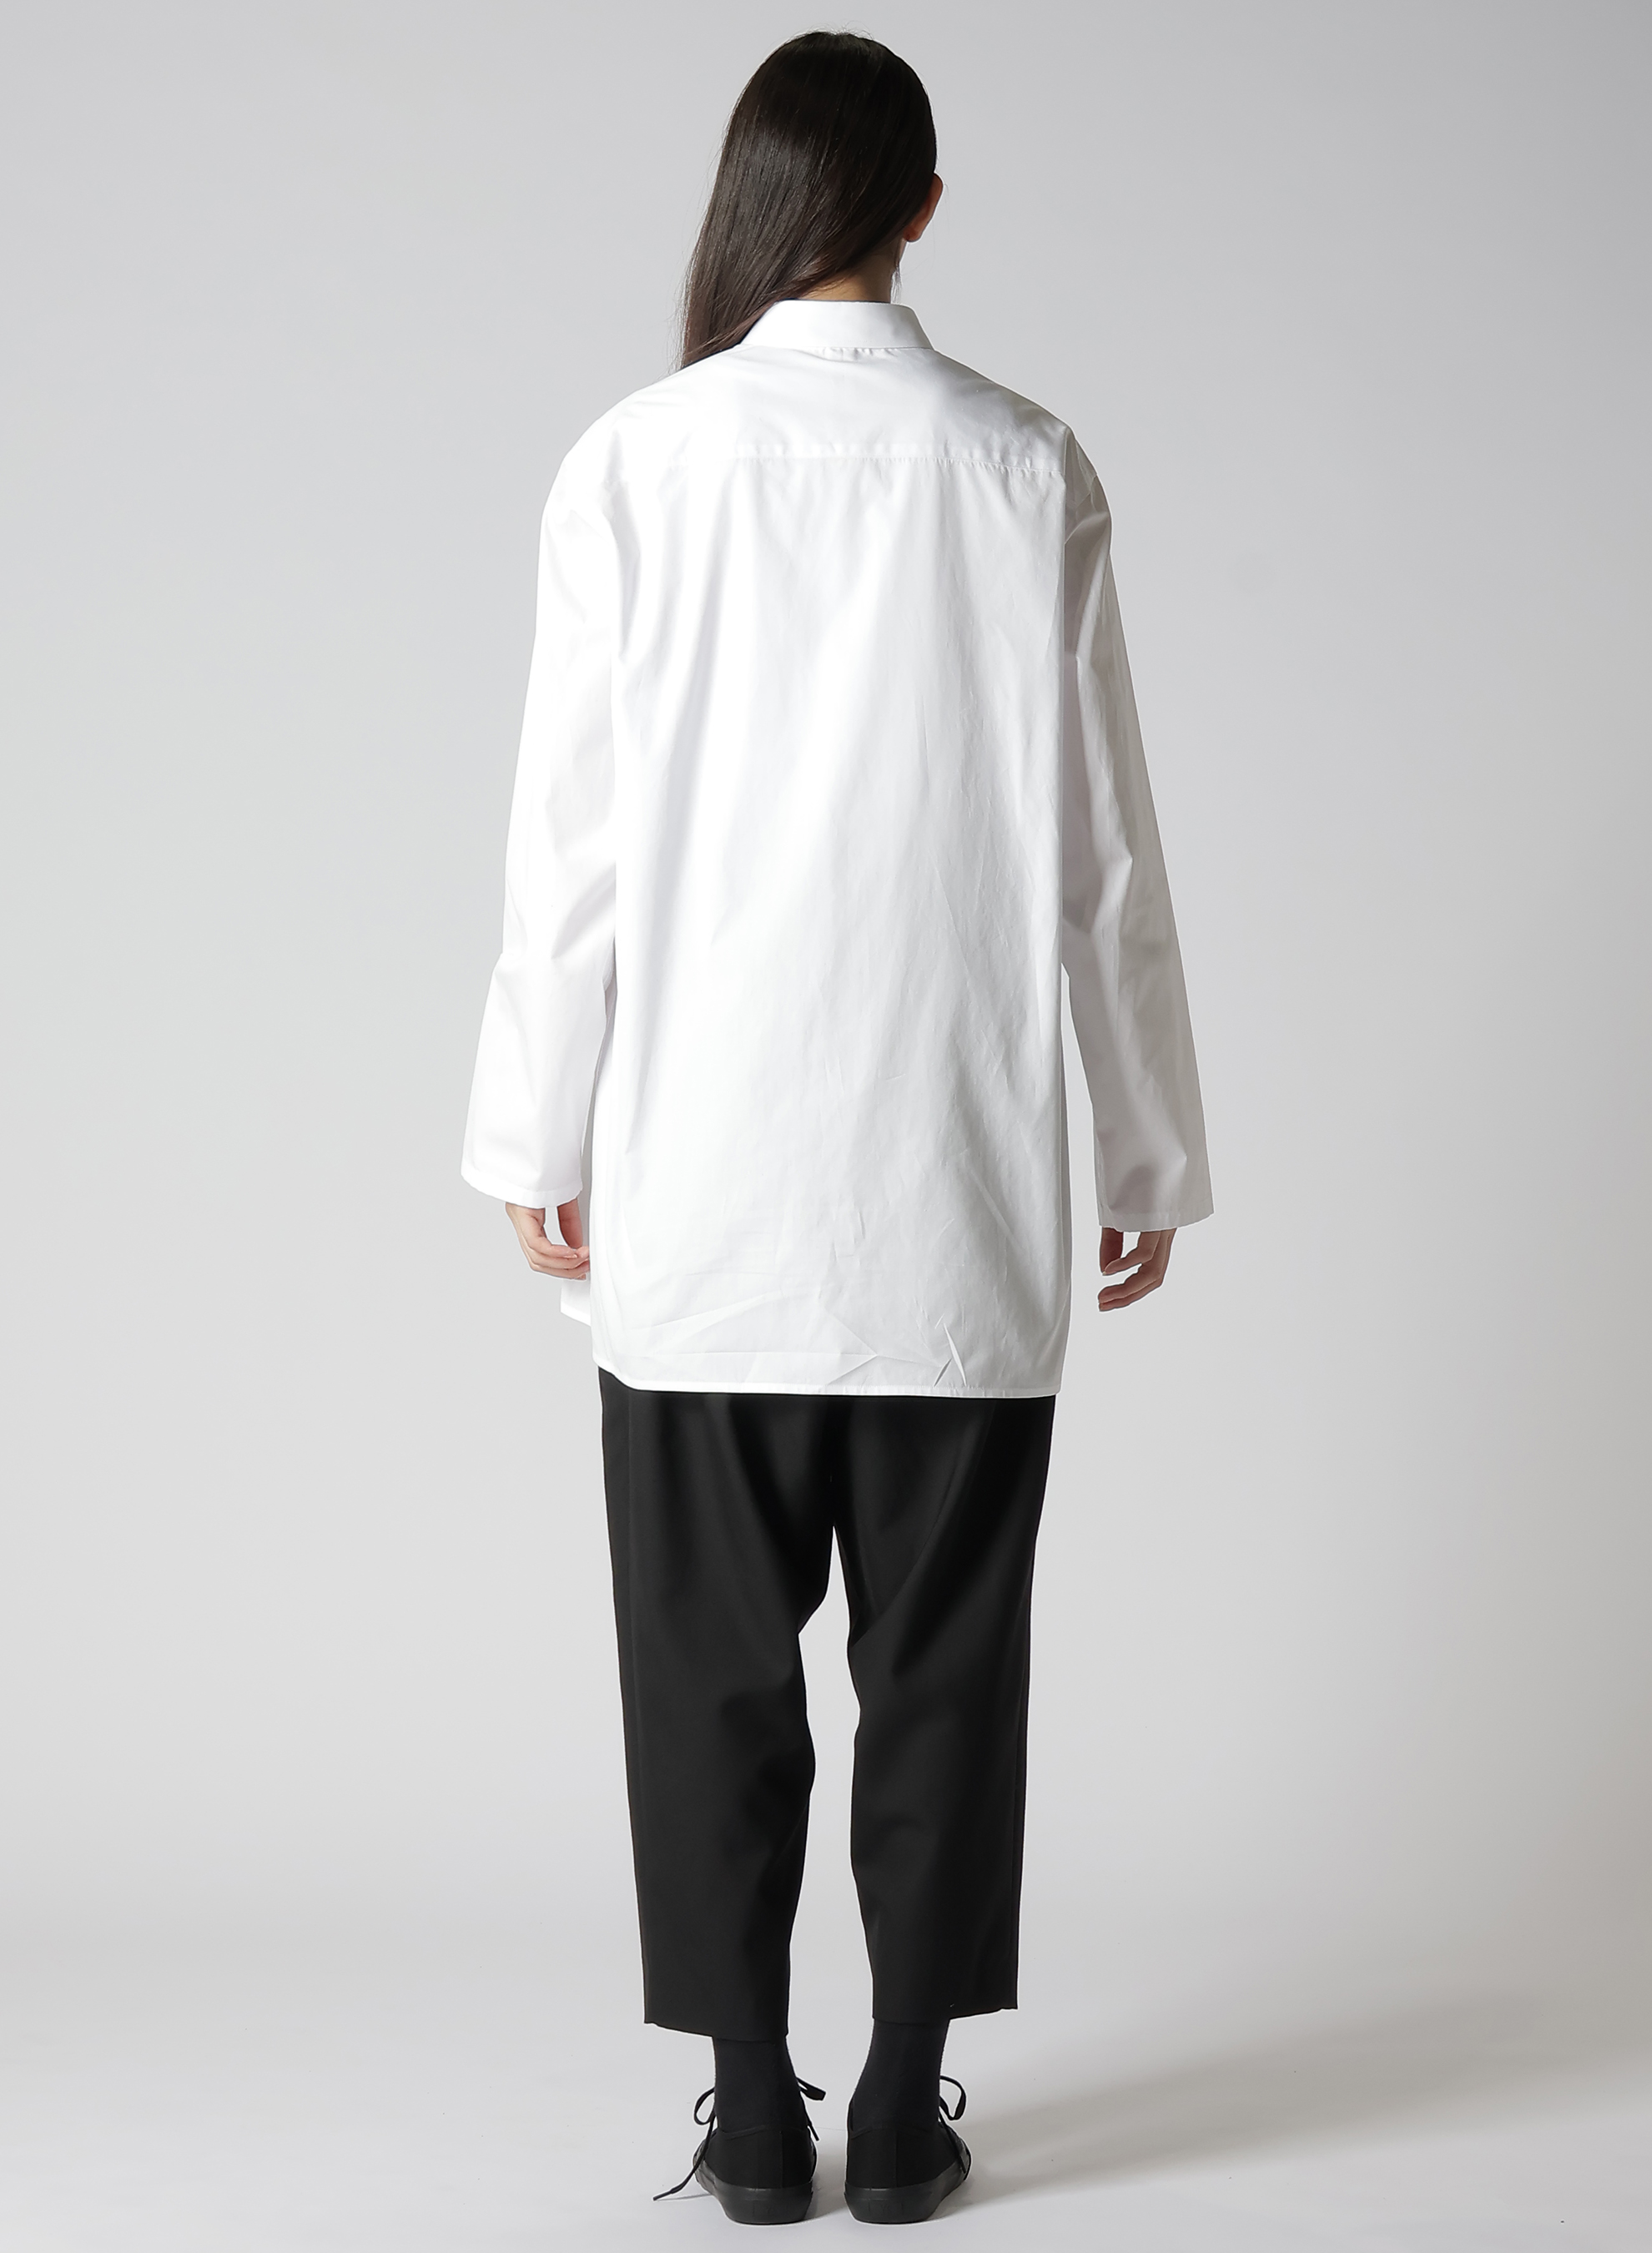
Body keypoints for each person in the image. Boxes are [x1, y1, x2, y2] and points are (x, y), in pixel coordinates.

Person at [461, 28, 1211, 2228]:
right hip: (955, 1192)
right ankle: (898, 2109)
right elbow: (1103, 860)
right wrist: (1144, 1153)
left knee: (709, 1683)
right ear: (924, 207)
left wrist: (533, 1128)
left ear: (753, 201)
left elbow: (569, 849)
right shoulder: (1025, 466)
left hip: (701, 1195)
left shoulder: (631, 462)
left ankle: (750, 2114)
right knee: (944, 1677)